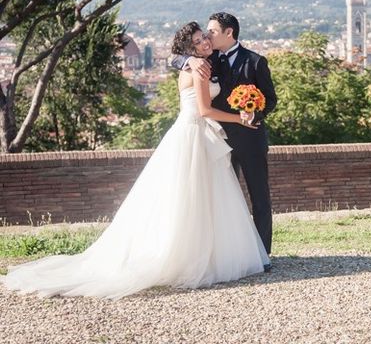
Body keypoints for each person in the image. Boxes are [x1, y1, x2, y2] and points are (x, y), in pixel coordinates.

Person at [0, 22, 269, 299]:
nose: (204, 42)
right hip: (194, 134)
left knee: (200, 197)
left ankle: (207, 253)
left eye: (205, 37)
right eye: (199, 40)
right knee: (190, 197)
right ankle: (189, 256)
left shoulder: (204, 63)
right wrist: (240, 118)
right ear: (189, 48)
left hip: (199, 135)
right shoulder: (196, 67)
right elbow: (203, 110)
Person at [171, 12, 277, 259]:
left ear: (229, 33)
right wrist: (187, 60)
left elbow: (270, 99)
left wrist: (255, 115)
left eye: (212, 32)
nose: (207, 36)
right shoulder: (205, 59)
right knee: (224, 200)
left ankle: (262, 255)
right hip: (217, 140)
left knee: (259, 197)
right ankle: (229, 253)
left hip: (251, 139)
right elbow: (174, 57)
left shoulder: (256, 61)